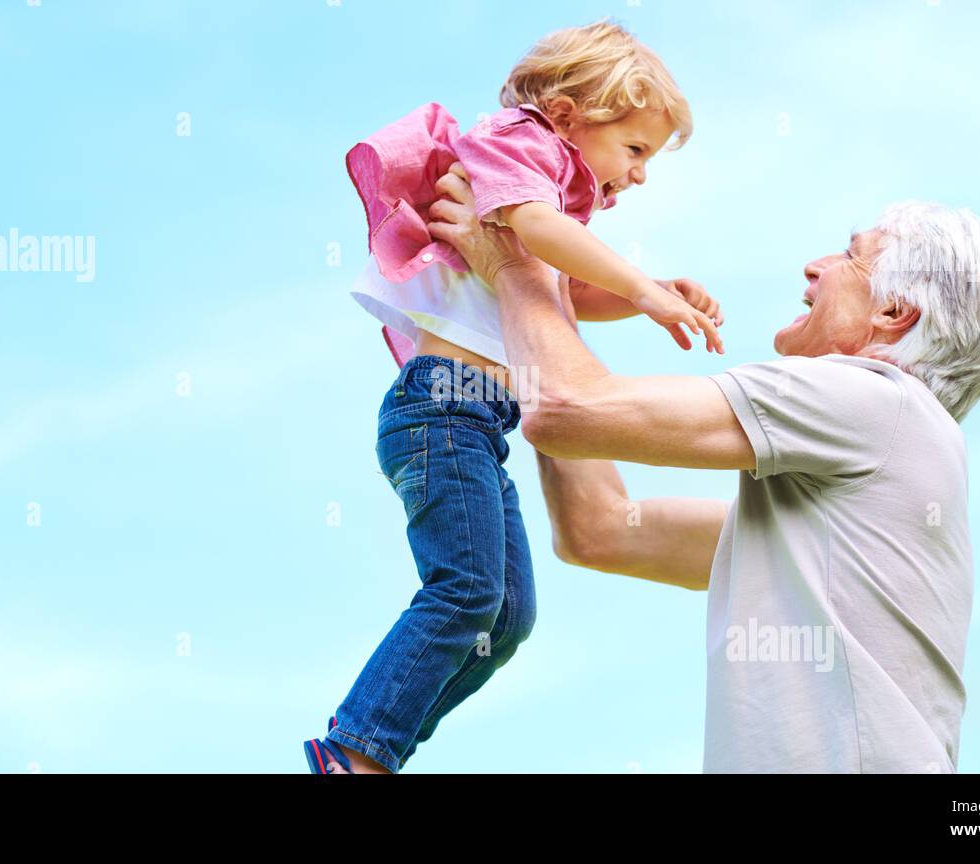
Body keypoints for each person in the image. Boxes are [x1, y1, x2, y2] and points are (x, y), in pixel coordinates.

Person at [426, 164, 980, 773]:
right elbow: (601, 528)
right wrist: (537, 292)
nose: (816, 266)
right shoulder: (834, 509)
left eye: (848, 257)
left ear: (893, 313)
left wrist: (516, 266)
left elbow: (567, 410)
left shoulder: (876, 398)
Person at [306, 20, 720, 774]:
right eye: (634, 150)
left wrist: (648, 292)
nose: (641, 174)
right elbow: (534, 230)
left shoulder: (552, 198)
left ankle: (376, 747)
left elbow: (560, 286)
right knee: (466, 590)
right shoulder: (516, 144)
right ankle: (354, 752)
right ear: (568, 118)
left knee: (508, 617)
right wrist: (645, 292)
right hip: (443, 407)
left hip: (479, 422)